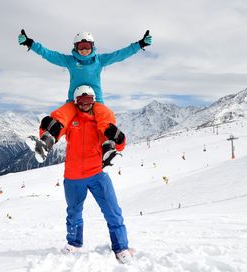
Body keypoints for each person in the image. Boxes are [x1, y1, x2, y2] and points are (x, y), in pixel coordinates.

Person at [18, 30, 152, 158]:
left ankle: (109, 147)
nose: (84, 50)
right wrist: (31, 43)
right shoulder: (70, 61)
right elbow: (49, 54)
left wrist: (140, 44)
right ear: (75, 47)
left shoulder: (99, 60)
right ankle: (46, 142)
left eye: (87, 46)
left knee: (105, 116)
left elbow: (120, 54)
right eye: (80, 46)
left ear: (92, 46)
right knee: (61, 115)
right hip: (74, 101)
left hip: (95, 101)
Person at [39, 85, 133, 263]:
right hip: (73, 176)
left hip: (96, 173)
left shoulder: (99, 121)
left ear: (93, 101)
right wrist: (45, 129)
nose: (85, 105)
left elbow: (116, 145)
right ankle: (74, 243)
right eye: (81, 101)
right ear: (76, 102)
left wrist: (119, 139)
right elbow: (54, 134)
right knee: (74, 212)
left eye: (88, 101)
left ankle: (121, 247)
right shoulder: (72, 120)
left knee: (112, 211)